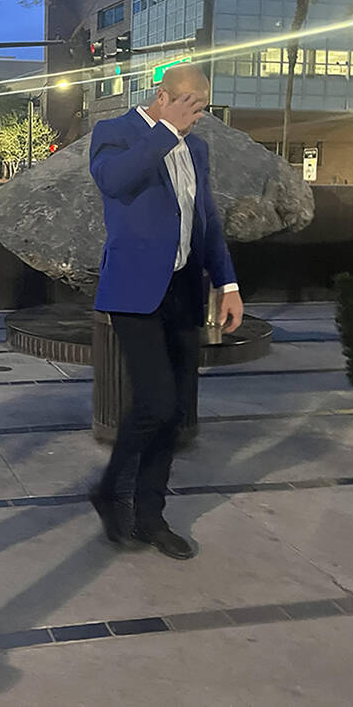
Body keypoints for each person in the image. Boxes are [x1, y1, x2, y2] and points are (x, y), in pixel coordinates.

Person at [88, 64, 243, 561]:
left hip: (183, 289)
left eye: (202, 108)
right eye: (189, 106)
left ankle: (151, 516)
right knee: (154, 401)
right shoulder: (116, 133)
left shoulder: (197, 148)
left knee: (173, 411)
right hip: (134, 290)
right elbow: (113, 181)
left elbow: (207, 219)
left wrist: (228, 283)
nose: (197, 117)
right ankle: (111, 489)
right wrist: (165, 132)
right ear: (163, 97)